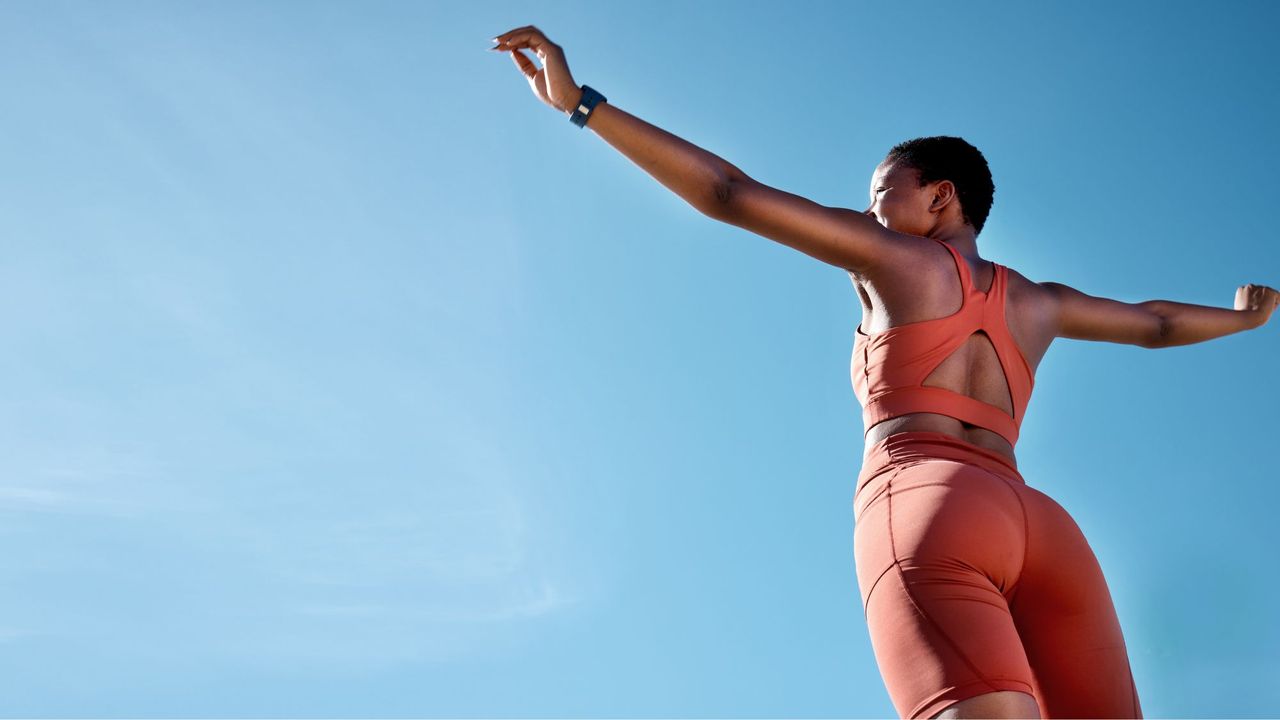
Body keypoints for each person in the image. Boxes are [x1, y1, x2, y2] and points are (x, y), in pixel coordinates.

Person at [489, 25, 1279, 720]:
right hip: (1044, 528)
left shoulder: (893, 260)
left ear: (939, 198)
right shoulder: (1040, 303)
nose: (866, 216)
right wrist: (1244, 319)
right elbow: (1158, 325)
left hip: (930, 505)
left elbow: (728, 193)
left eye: (879, 197)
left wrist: (581, 105)